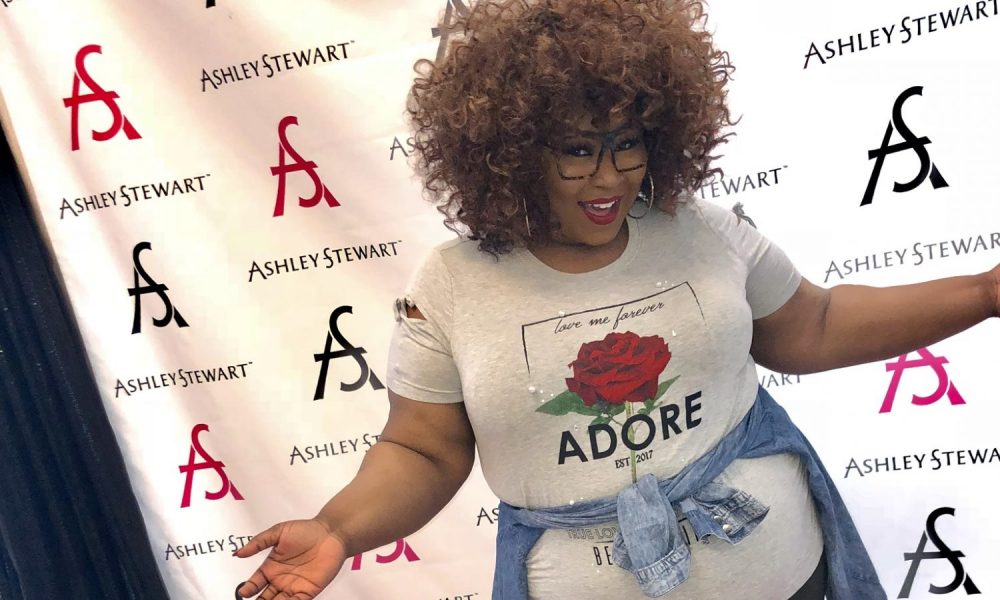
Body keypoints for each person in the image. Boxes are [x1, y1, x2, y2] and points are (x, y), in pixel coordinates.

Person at [234, 1, 1000, 598]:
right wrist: (337, 528)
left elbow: (817, 325)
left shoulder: (703, 231)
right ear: (510, 150)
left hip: (789, 577)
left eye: (625, 142)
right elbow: (423, 449)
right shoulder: (452, 286)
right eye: (576, 149)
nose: (608, 178)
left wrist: (984, 292)